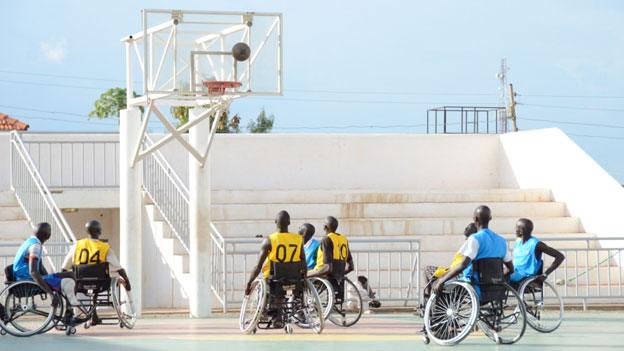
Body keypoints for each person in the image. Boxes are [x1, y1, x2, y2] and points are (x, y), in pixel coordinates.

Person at [61, 220, 132, 325]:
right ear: (100, 231)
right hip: (101, 284)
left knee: (71, 280)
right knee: (99, 278)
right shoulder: (105, 248)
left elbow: (64, 268)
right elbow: (118, 268)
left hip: (79, 283)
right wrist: (126, 280)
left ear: (87, 231)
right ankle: (94, 315)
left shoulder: (77, 245)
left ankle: (69, 311)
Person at [432, 206, 513, 295]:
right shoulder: (502, 241)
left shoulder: (475, 239)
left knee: (437, 282)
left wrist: (442, 280)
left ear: (475, 219)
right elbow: (511, 269)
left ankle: (435, 307)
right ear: (490, 218)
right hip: (495, 289)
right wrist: (497, 279)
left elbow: (463, 265)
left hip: (475, 287)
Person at [12, 223, 76, 306]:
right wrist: (51, 294)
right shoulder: (35, 246)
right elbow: (33, 272)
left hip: (22, 277)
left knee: (68, 275)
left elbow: (40, 267)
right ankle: (71, 308)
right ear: (48, 235)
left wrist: (50, 279)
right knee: (70, 275)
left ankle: (69, 308)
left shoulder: (30, 241)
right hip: (27, 279)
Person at [244, 210, 306, 296]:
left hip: (274, 279)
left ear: (275, 222)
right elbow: (303, 262)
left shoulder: (269, 240)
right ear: (289, 222)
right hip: (294, 278)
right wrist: (304, 279)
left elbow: (258, 266)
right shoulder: (298, 239)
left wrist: (249, 283)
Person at [423, 222, 478, 299]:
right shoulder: (478, 246)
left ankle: (428, 301)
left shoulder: (469, 246)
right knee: (429, 272)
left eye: (468, 228)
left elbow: (460, 266)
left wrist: (443, 277)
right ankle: (429, 299)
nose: (465, 229)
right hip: (459, 272)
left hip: (456, 274)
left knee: (429, 272)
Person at [509, 218, 565, 284]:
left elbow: (560, 256)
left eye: (516, 227)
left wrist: (545, 274)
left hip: (525, 277)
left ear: (521, 231)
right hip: (514, 272)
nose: (515, 229)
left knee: (499, 276)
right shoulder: (518, 241)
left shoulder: (536, 244)